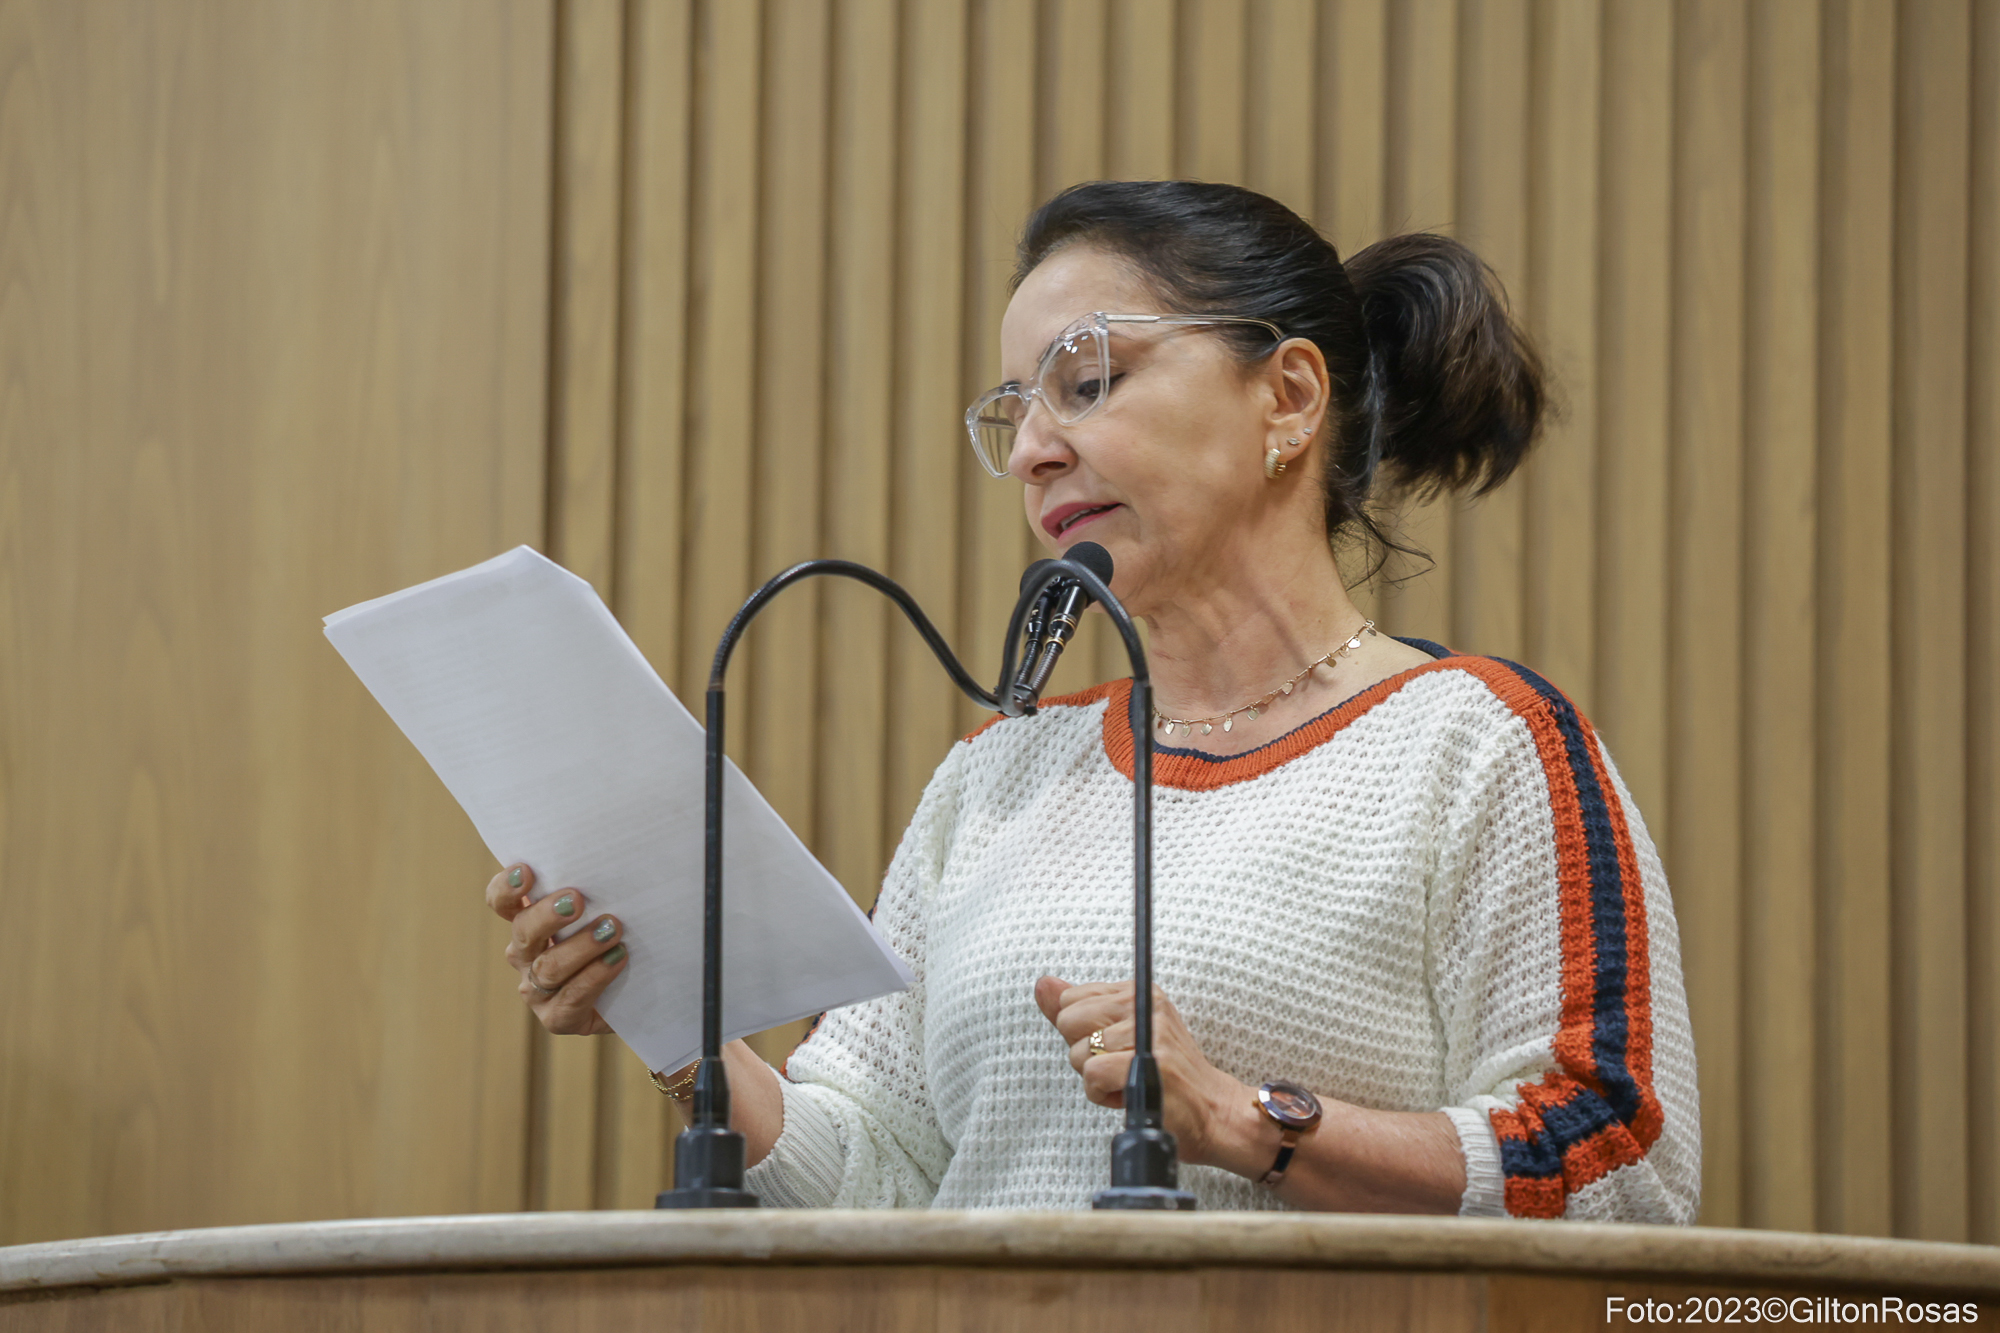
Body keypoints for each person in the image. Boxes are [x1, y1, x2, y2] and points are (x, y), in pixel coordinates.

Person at [484, 180, 1700, 1221]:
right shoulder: (995, 772)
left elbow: (1619, 1159)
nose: (1031, 451)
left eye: (1087, 380)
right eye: (1014, 410)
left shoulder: (1478, 742)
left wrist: (1245, 1121)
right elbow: (872, 1175)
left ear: (1287, 396)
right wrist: (681, 1024)